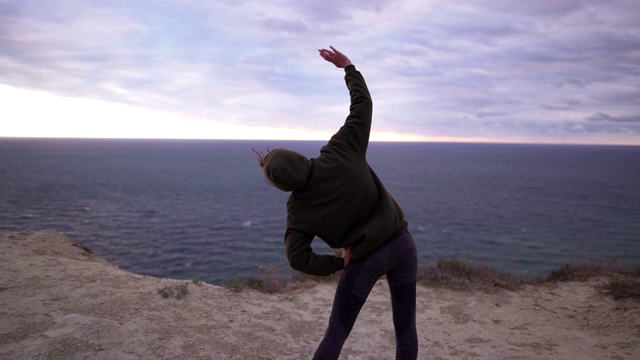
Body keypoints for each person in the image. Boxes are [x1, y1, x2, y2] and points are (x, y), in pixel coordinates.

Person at [255, 46, 418, 360]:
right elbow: (362, 105)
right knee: (405, 328)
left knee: (336, 335)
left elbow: (297, 258)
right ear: (300, 157)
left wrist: (337, 264)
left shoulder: (298, 209)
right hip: (403, 245)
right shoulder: (339, 149)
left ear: (282, 187)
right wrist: (348, 68)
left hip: (364, 260)